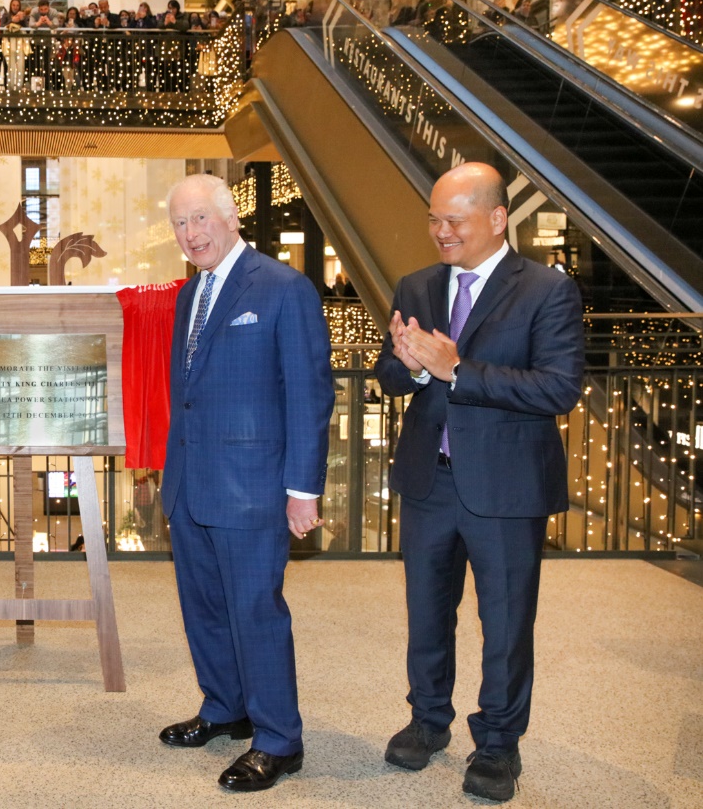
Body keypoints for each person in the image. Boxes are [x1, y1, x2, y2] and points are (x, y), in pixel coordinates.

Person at [375, 162, 584, 802]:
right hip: (429, 481)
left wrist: (458, 370)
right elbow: (389, 372)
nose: (440, 231)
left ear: (497, 219)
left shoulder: (547, 289)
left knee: (506, 622)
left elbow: (559, 387)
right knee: (426, 615)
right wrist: (409, 369)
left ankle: (497, 745)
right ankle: (427, 720)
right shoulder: (415, 285)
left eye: (454, 220)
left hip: (507, 486)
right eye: (434, 219)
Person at [157, 174, 333, 794]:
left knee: (256, 612)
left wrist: (303, 488)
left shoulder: (285, 289)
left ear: (232, 219)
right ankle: (224, 707)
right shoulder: (188, 295)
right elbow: (190, 395)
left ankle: (280, 739)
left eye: (201, 218)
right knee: (203, 608)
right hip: (191, 482)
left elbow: (311, 394)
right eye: (180, 223)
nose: (191, 233)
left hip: (255, 486)